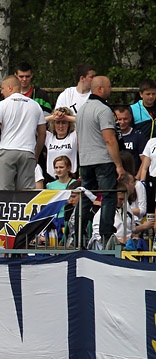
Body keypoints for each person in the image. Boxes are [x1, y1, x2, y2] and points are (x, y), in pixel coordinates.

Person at [77, 76, 125, 244]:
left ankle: (77, 232)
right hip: (103, 159)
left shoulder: (82, 109)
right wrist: (118, 165)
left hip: (85, 159)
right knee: (109, 195)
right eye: (109, 87)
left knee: (85, 196)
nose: (111, 90)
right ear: (101, 89)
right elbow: (109, 139)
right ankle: (106, 234)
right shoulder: (103, 110)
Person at [0, 75, 46, 190]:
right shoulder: (35, 105)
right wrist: (36, 154)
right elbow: (42, 134)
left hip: (7, 150)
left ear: (10, 87)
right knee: (26, 193)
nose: (1, 92)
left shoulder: (3, 104)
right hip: (28, 151)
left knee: (4, 193)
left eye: (2, 88)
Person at [43, 108, 78, 180]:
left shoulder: (73, 136)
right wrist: (53, 117)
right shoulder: (49, 137)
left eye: (64, 122)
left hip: (70, 179)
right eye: (58, 122)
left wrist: (66, 117)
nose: (61, 126)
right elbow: (34, 123)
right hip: (51, 179)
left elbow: (84, 120)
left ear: (69, 124)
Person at [114, 105, 147, 174]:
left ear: (130, 118)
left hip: (134, 175)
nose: (122, 122)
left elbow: (144, 161)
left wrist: (137, 179)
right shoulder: (110, 136)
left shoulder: (138, 135)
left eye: (125, 119)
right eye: (119, 119)